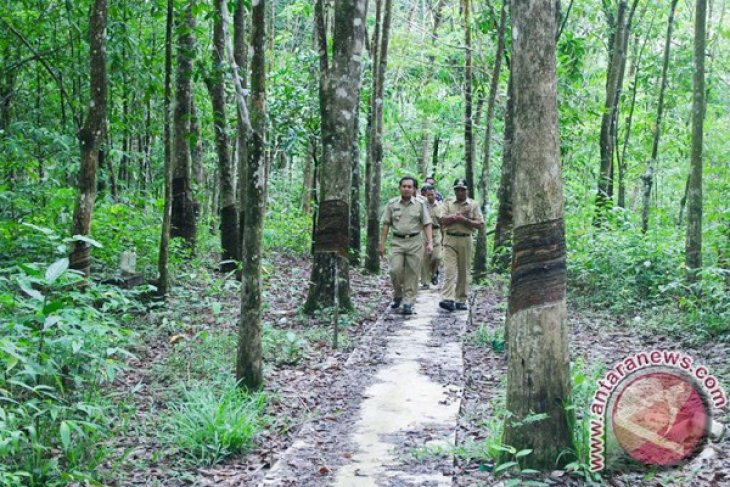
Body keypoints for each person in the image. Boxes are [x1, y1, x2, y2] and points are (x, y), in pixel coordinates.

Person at [379, 176, 434, 315]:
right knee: (394, 270)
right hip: (397, 241)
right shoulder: (392, 204)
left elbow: (427, 223)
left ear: (414, 189)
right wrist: (382, 243)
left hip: (415, 241)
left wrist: (430, 242)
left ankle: (409, 302)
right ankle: (398, 294)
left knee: (413, 272)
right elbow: (386, 224)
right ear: (400, 188)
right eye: (404, 186)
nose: (406, 189)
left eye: (409, 187)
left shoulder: (420, 204)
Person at [438, 178, 484, 312]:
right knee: (449, 270)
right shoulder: (447, 203)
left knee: (464, 270)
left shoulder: (474, 205)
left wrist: (464, 219)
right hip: (450, 239)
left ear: (467, 190)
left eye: (462, 190)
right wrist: (456, 216)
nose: (460, 192)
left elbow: (480, 224)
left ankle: (461, 299)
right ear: (454, 190)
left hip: (465, 239)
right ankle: (448, 298)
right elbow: (442, 220)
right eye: (457, 189)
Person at [420, 184, 443, 289]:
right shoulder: (422, 205)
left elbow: (443, 222)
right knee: (425, 257)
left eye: (432, 195)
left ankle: (433, 273)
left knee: (437, 256)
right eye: (428, 195)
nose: (430, 197)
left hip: (437, 232)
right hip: (424, 232)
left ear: (435, 194)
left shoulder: (440, 207)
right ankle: (425, 281)